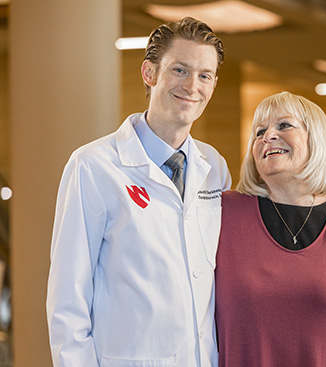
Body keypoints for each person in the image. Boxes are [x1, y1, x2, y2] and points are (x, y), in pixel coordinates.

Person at [47, 17, 229, 366]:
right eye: (179, 70)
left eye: (205, 75)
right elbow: (68, 301)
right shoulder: (93, 167)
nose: (193, 85)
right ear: (149, 73)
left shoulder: (215, 168)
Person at [215, 91, 326, 366]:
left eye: (284, 125)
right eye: (259, 131)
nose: (268, 136)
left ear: (316, 139)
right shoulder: (222, 214)